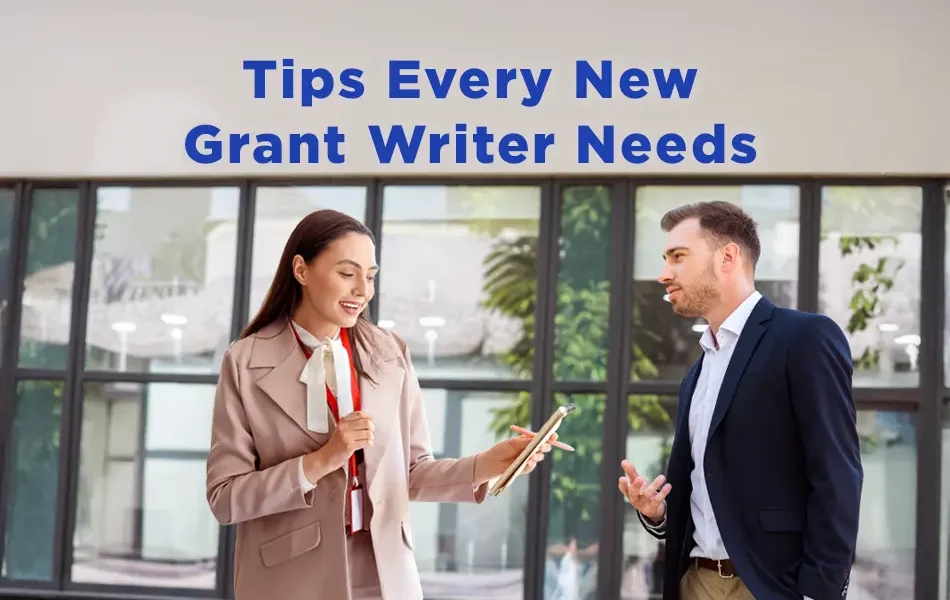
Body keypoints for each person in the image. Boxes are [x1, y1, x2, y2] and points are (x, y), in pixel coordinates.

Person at [205, 209, 556, 600]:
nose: (362, 290)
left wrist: (487, 465)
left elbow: (412, 472)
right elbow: (225, 498)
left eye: (370, 277)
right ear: (301, 270)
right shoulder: (246, 362)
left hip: (385, 573)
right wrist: (322, 459)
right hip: (290, 577)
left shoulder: (390, 354)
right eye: (347, 273)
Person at [618, 201, 862, 600]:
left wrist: (820, 592)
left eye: (678, 257)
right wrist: (659, 514)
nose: (664, 274)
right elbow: (706, 489)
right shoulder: (697, 373)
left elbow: (836, 475)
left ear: (727, 256)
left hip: (770, 587)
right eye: (665, 259)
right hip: (694, 582)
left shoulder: (804, 338)